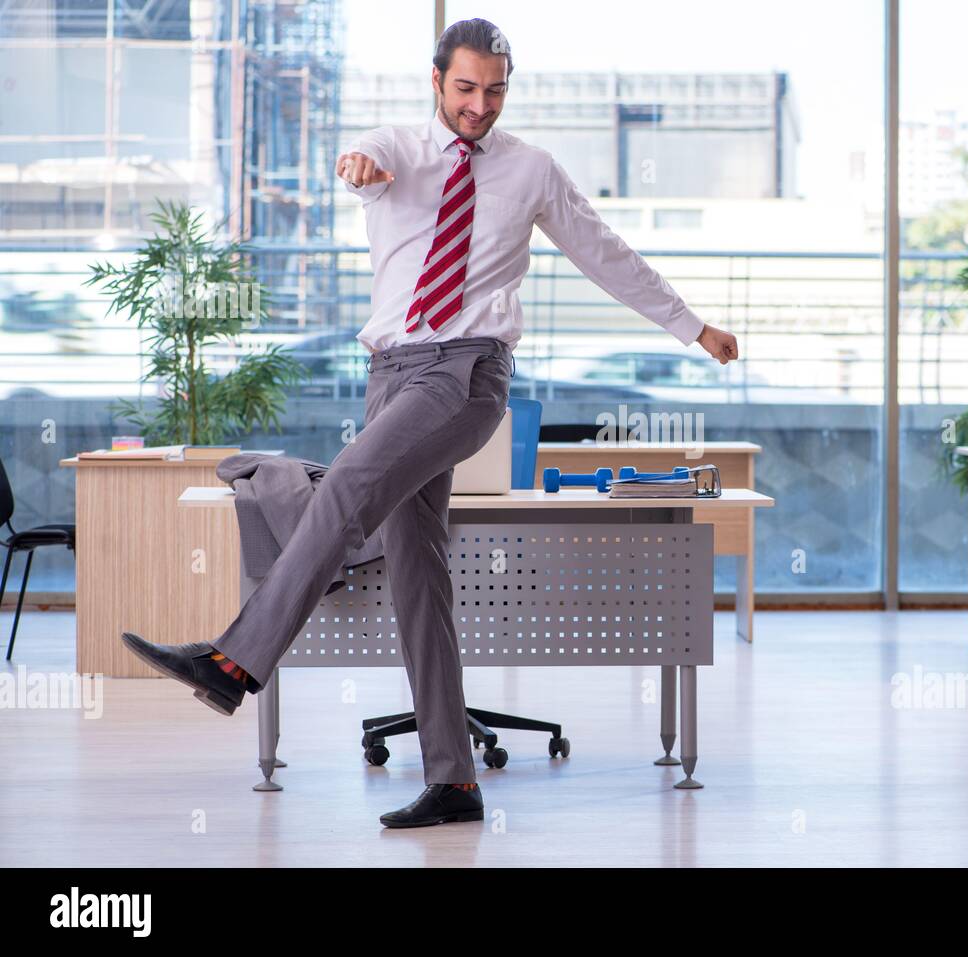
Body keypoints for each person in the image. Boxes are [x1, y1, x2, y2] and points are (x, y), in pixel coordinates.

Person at [121, 17, 739, 829]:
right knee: (419, 575)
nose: (480, 105)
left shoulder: (532, 170)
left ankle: (234, 661)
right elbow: (360, 164)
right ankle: (454, 780)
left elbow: (604, 251)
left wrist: (690, 325)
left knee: (342, 491)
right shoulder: (397, 149)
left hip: (465, 372)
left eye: (494, 89)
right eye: (465, 88)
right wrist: (354, 165)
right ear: (437, 80)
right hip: (391, 374)